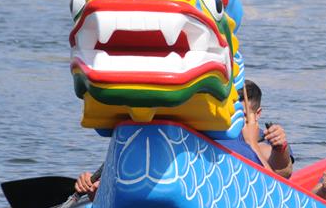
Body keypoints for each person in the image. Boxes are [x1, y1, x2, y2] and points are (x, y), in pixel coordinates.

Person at [74, 80, 294, 198]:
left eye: (244, 115)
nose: (236, 121)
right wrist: (95, 190)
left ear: (258, 114)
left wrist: (277, 146)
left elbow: (281, 178)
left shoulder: (263, 139)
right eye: (232, 113)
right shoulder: (204, 129)